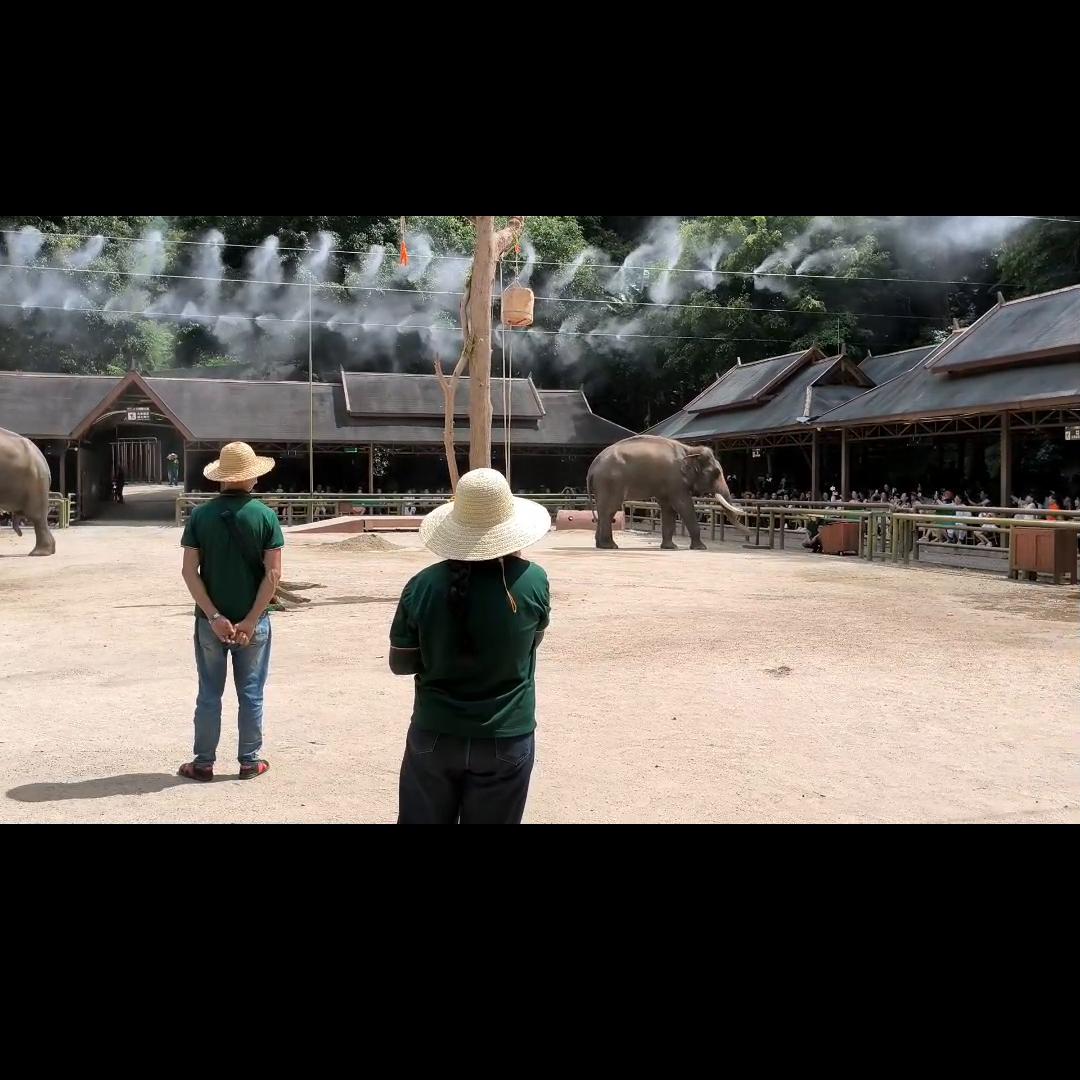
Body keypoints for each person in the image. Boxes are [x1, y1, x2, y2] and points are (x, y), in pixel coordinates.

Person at [389, 468, 552, 825]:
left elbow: (401, 664)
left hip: (434, 732)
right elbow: (531, 643)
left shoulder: (422, 585)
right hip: (505, 736)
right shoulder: (533, 581)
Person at [177, 442, 283, 782]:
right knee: (250, 691)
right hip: (254, 622)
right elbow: (273, 575)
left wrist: (213, 615)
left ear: (221, 478)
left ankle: (204, 763)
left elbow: (188, 572)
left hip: (210, 623)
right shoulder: (265, 516)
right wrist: (251, 620)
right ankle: (250, 762)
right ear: (251, 478)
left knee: (209, 692)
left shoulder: (200, 516)